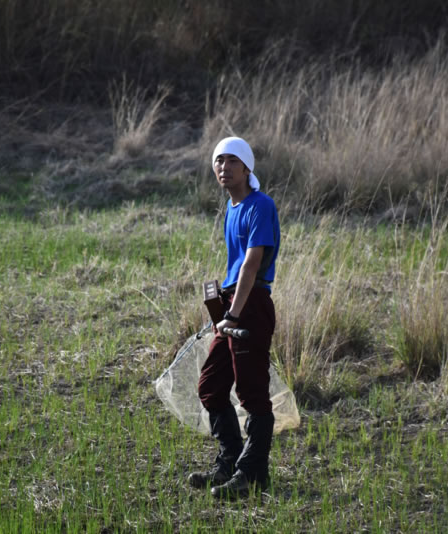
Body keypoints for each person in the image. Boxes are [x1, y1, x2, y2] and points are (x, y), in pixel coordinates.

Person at [188, 136, 280, 499]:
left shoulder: (262, 205)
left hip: (251, 305)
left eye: (231, 161)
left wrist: (234, 313)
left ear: (247, 168)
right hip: (232, 304)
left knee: (251, 392)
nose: (223, 167)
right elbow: (233, 268)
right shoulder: (231, 209)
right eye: (218, 161)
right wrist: (222, 310)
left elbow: (252, 264)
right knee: (210, 386)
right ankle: (228, 462)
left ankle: (253, 474)